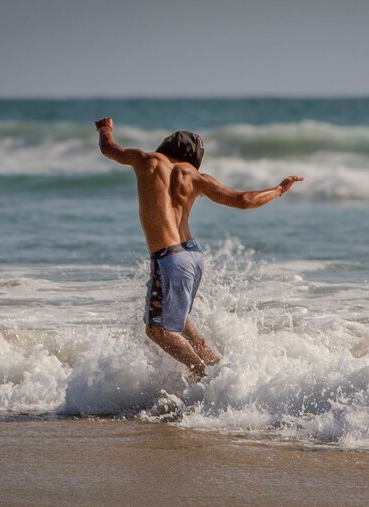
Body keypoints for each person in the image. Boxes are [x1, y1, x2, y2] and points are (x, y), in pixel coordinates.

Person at [94, 117, 303, 380]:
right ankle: (216, 364)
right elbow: (245, 200)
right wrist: (279, 189)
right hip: (193, 256)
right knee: (180, 321)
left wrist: (104, 128)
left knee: (156, 330)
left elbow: (108, 149)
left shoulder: (145, 160)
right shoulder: (197, 177)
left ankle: (204, 377)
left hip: (169, 258)